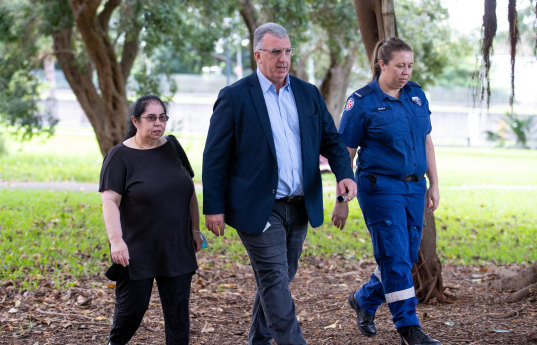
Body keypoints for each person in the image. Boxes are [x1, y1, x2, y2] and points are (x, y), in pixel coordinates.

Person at [202, 22, 357, 345]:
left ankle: (258, 341)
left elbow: (332, 140)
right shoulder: (234, 97)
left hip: (299, 205)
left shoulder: (307, 93)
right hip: (258, 207)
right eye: (275, 52)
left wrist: (345, 173)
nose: (283, 58)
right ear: (258, 55)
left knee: (279, 279)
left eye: (287, 51)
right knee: (274, 278)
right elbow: (215, 158)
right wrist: (213, 207)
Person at [333, 37, 441, 345]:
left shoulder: (417, 96)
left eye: (409, 66)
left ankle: (364, 300)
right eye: (399, 66)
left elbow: (426, 141)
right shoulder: (362, 101)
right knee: (394, 258)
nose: (406, 72)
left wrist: (434, 184)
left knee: (404, 258)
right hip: (380, 189)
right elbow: (346, 153)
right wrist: (342, 199)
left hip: (414, 188)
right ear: (382, 65)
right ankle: (409, 328)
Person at [100, 94, 203, 345]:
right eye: (151, 118)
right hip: (137, 249)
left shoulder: (173, 147)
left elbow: (188, 190)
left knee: (178, 316)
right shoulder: (120, 156)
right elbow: (110, 201)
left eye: (162, 117)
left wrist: (195, 230)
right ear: (135, 121)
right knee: (131, 312)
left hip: (177, 246)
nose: (158, 123)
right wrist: (116, 242)